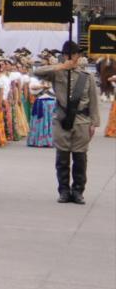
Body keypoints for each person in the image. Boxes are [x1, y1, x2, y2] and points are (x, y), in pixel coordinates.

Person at [32, 42, 100, 204]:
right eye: (66, 54)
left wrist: (94, 123)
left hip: (82, 121)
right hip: (62, 120)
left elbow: (93, 101)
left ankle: (78, 191)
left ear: (78, 56)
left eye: (73, 54)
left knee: (80, 158)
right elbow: (36, 72)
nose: (70, 57)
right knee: (62, 157)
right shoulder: (57, 73)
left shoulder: (87, 77)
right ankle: (63, 190)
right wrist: (59, 67)